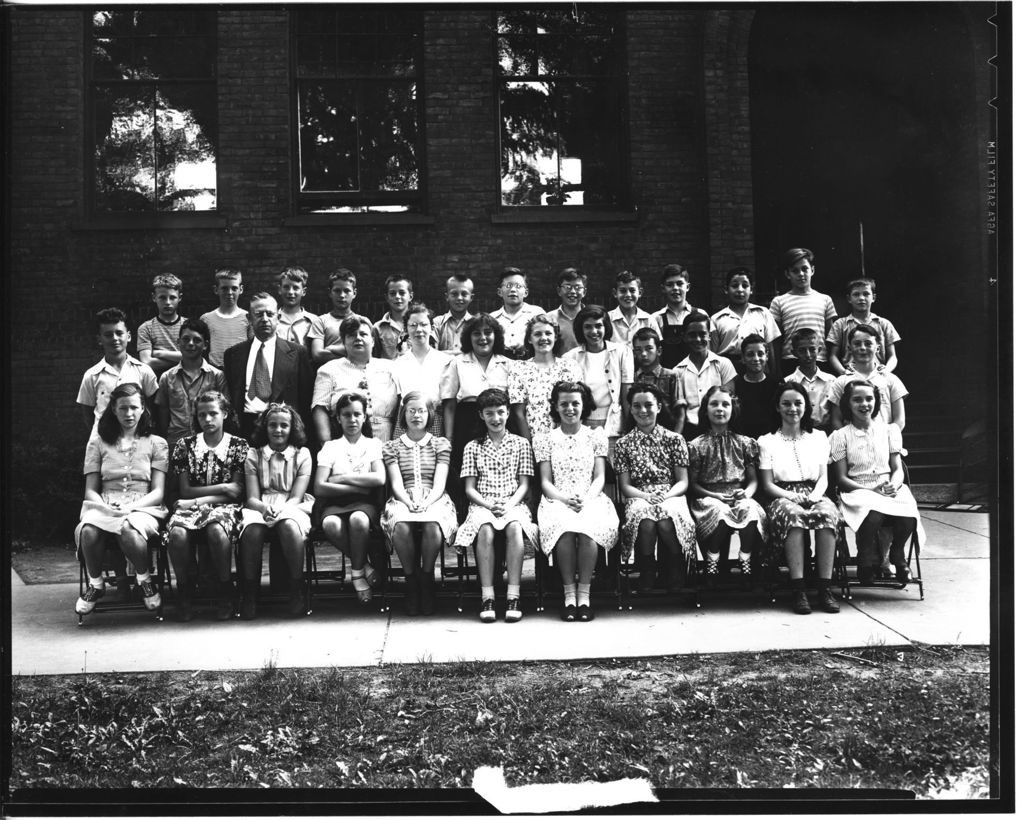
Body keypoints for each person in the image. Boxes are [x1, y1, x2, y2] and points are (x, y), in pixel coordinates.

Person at [74, 383, 169, 616]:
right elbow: (90, 491)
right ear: (113, 410)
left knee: (129, 528)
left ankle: (145, 580)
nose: (129, 414)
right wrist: (104, 506)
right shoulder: (97, 443)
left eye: (134, 407)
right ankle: (96, 585)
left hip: (144, 506)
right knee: (89, 530)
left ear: (143, 409)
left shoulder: (157, 443)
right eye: (123, 408)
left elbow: (157, 492)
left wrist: (130, 507)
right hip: (105, 502)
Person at [534, 381, 619, 622]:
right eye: (564, 404)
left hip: (590, 497)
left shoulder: (596, 436)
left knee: (587, 530)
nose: (570, 408)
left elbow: (600, 476)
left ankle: (585, 596)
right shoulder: (545, 439)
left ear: (584, 406)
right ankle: (569, 595)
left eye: (575, 403)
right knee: (566, 530)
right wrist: (564, 499)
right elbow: (546, 482)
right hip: (556, 500)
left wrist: (587, 498)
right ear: (555, 406)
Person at [453, 388, 538, 623]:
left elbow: (524, 485)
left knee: (513, 527)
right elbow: (470, 489)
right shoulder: (472, 446)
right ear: (481, 415)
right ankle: (487, 596)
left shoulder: (521, 444)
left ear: (508, 413)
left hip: (513, 502)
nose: (496, 418)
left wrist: (508, 505)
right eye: (489, 413)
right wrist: (490, 505)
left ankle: (514, 595)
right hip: (483, 504)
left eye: (500, 412)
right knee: (486, 530)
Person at [829, 380, 925, 585]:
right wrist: (870, 489)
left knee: (908, 508)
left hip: (887, 485)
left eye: (869, 398)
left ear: (876, 401)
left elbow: (897, 469)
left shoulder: (890, 431)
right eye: (857, 400)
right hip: (857, 489)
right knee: (873, 511)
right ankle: (866, 557)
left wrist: (895, 485)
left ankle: (897, 554)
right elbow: (842, 479)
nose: (864, 404)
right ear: (848, 404)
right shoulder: (840, 436)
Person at [758, 381, 841, 615]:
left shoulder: (818, 437)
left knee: (826, 514)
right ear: (777, 407)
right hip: (781, 494)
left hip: (815, 490)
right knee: (793, 516)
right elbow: (767, 484)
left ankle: (824, 587)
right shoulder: (767, 441)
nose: (792, 408)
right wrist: (792, 496)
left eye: (798, 403)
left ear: (806, 406)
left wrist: (815, 496)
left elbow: (824, 477)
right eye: (786, 404)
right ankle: (799, 589)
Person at [165, 391, 248, 622]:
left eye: (213, 413)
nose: (208, 419)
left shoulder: (238, 445)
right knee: (178, 534)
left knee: (216, 529)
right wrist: (223, 488)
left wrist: (198, 500)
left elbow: (237, 493)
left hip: (224, 509)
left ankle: (225, 590)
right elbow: (185, 490)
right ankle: (184, 592)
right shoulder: (185, 445)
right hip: (191, 506)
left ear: (225, 414)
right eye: (202, 415)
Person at [381, 392, 458, 615]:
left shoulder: (440, 445)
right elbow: (396, 483)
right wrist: (407, 501)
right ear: (403, 414)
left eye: (421, 410)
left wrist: (426, 502)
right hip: (403, 497)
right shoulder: (392, 447)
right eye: (411, 411)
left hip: (433, 496)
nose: (416, 415)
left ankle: (426, 579)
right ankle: (411, 581)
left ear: (429, 415)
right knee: (401, 526)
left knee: (433, 525)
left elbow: (440, 483)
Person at [614, 384, 696, 594]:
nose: (643, 411)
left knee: (668, 519)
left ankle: (675, 566)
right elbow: (625, 486)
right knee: (646, 520)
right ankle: (648, 569)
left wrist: (665, 496)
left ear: (659, 407)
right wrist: (646, 496)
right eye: (637, 406)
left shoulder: (675, 439)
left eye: (648, 405)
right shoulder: (624, 444)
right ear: (630, 409)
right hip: (639, 494)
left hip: (671, 492)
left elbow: (683, 482)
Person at [237, 403, 314, 620]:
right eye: (272, 425)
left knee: (288, 525)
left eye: (284, 425)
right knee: (252, 530)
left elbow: (297, 497)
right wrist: (263, 509)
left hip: (291, 505)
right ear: (265, 427)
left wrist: (280, 510)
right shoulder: (254, 455)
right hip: (260, 504)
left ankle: (296, 588)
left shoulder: (302, 455)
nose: (278, 430)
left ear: (292, 428)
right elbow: (252, 498)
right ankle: (251, 593)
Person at [687, 386, 766, 585]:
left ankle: (745, 556)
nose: (720, 409)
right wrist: (714, 496)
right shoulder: (697, 445)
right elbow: (693, 485)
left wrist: (746, 493)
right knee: (721, 513)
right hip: (708, 497)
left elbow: (754, 480)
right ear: (706, 409)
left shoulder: (744, 443)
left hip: (738, 494)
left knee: (751, 511)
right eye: (714, 404)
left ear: (733, 410)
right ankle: (712, 559)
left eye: (725, 404)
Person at [314, 393, 386, 604]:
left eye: (357, 414)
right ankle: (363, 565)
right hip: (334, 503)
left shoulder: (373, 444)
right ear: (338, 418)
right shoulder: (331, 447)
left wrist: (341, 478)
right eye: (346, 415)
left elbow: (379, 478)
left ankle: (356, 576)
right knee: (330, 524)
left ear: (364, 417)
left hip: (366, 503)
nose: (352, 420)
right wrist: (359, 485)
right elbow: (319, 486)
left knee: (358, 519)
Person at [440, 314, 513, 512]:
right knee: (467, 473)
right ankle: (466, 520)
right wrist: (449, 438)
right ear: (468, 338)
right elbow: (449, 404)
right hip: (466, 422)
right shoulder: (457, 363)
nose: (483, 338)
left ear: (496, 336)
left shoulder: (507, 364)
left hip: (498, 422)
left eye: (488, 333)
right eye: (476, 333)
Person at [222, 293, 314, 441]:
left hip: (282, 429)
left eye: (270, 314)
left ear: (278, 318)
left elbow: (305, 398)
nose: (265, 319)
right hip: (245, 428)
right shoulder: (233, 354)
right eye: (258, 314)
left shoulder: (297, 353)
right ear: (249, 319)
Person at [311, 315, 400, 445]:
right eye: (352, 335)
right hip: (344, 441)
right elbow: (320, 409)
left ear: (373, 341)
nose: (358, 338)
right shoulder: (329, 369)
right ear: (344, 342)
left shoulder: (391, 368)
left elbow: (403, 405)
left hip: (386, 440)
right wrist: (326, 445)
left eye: (363, 334)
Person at [78, 307, 159, 434]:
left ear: (129, 336)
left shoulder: (143, 371)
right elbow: (87, 414)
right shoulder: (91, 375)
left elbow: (152, 408)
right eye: (108, 335)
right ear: (99, 339)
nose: (115, 338)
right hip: (104, 443)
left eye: (119, 333)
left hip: (137, 441)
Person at [561, 306, 633, 441]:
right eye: (588, 327)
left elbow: (626, 395)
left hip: (614, 424)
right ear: (581, 330)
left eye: (598, 326)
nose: (594, 331)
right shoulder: (570, 358)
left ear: (606, 327)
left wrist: (628, 428)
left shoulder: (622, 352)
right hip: (582, 424)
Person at [155, 319, 228, 451]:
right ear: (178, 343)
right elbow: (163, 414)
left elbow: (224, 412)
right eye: (186, 339)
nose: (190, 344)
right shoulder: (167, 377)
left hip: (209, 444)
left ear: (205, 345)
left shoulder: (217, 376)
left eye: (197, 340)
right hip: (176, 444)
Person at [508, 314, 582, 443]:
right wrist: (529, 445)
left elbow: (578, 406)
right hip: (535, 439)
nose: (544, 338)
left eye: (548, 333)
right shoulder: (519, 368)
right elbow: (518, 413)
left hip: (566, 439)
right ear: (530, 339)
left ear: (555, 337)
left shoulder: (569, 366)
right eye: (537, 334)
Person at [824, 324, 908, 432]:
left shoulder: (890, 380)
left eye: (868, 344)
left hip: (883, 443)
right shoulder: (841, 382)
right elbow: (836, 420)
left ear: (877, 348)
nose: (863, 348)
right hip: (853, 445)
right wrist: (847, 441)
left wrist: (888, 438)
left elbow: (900, 420)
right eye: (857, 344)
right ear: (849, 348)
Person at [769, 248, 838, 367]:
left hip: (819, 360)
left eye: (804, 269)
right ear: (787, 274)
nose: (801, 274)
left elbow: (831, 337)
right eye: (795, 271)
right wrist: (777, 369)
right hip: (791, 361)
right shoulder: (779, 301)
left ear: (812, 270)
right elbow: (776, 340)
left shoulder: (825, 299)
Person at [673, 312, 736, 440]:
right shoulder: (677, 371)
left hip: (720, 428)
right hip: (691, 431)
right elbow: (680, 412)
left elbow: (730, 402)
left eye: (702, 334)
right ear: (684, 337)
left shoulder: (723, 364)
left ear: (709, 336)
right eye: (692, 335)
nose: (697, 339)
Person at [709, 266, 781, 376]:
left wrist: (774, 375)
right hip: (728, 369)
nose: (740, 290)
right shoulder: (716, 319)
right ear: (726, 289)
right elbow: (713, 353)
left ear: (751, 289)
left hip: (758, 367)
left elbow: (770, 348)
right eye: (734, 286)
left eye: (745, 285)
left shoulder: (762, 313)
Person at [393, 303, 450, 437]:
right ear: (406, 329)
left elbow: (448, 402)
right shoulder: (399, 364)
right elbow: (398, 399)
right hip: (407, 420)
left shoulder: (445, 361)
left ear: (432, 328)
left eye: (424, 324)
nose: (419, 329)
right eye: (413, 325)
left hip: (435, 419)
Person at [826, 277, 901, 375]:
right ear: (849, 298)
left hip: (878, 374)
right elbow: (833, 356)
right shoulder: (840, 325)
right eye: (856, 294)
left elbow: (893, 356)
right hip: (851, 375)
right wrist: (844, 372)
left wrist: (886, 371)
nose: (861, 298)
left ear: (873, 297)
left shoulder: (883, 324)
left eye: (866, 294)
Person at [309, 268, 372, 366]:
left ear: (354, 293)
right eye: (337, 291)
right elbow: (318, 355)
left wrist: (331, 348)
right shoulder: (320, 321)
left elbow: (368, 352)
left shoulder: (363, 321)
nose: (342, 295)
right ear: (330, 293)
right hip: (330, 374)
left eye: (347, 291)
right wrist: (353, 355)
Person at [651, 264, 709, 368]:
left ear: (687, 287)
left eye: (679, 284)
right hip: (667, 373)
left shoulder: (700, 314)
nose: (675, 288)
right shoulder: (656, 318)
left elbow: (708, 348)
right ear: (663, 288)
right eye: (670, 285)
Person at [631, 327, 684, 433]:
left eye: (649, 348)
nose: (644, 354)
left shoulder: (671, 376)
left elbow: (680, 415)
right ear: (633, 352)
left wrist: (676, 439)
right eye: (638, 350)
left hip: (667, 435)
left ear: (659, 351)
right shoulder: (632, 378)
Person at [784, 328, 836, 431]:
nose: (808, 355)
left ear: (819, 350)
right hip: (798, 432)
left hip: (827, 433)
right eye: (802, 350)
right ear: (794, 353)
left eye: (812, 349)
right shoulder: (787, 382)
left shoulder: (831, 381)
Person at [489, 267, 545, 360]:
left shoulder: (537, 313)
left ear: (526, 292)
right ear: (499, 292)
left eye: (518, 286)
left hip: (530, 363)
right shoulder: (492, 318)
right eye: (508, 286)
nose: (513, 290)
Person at [136, 274, 186, 378]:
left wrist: (159, 353)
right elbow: (147, 362)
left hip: (186, 380)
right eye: (162, 298)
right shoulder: (146, 328)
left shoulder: (188, 325)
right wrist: (183, 360)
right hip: (157, 383)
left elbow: (195, 356)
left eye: (172, 297)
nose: (167, 302)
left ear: (180, 298)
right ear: (154, 297)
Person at [732, 334, 780, 439]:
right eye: (750, 354)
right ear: (743, 358)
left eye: (760, 354)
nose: (756, 358)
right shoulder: (736, 385)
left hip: (771, 440)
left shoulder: (776, 385)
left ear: (767, 356)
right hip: (743, 442)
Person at [200, 268, 249, 368]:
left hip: (240, 372)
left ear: (241, 289)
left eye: (234, 288)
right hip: (215, 372)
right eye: (224, 288)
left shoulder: (248, 317)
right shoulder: (206, 319)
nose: (229, 292)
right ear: (216, 289)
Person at [608, 269, 661, 345]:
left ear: (640, 292)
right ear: (615, 293)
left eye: (632, 290)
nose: (628, 295)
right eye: (623, 291)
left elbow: (656, 349)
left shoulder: (649, 320)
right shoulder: (608, 319)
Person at [543, 267, 587, 353]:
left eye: (577, 287)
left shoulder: (591, 318)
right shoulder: (549, 318)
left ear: (584, 292)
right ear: (559, 291)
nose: (573, 291)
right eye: (568, 287)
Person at [373, 275, 415, 360]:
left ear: (410, 296)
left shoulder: (420, 324)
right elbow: (374, 359)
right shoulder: (378, 328)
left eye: (402, 293)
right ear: (387, 297)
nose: (397, 297)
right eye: (392, 293)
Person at [275, 266, 318, 350]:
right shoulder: (272, 319)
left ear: (303, 291)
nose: (291, 292)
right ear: (280, 289)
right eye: (286, 287)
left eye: (295, 288)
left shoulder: (313, 321)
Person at [433, 274, 477, 354]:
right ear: (447, 297)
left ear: (471, 298)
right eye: (454, 294)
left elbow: (478, 354)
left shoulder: (476, 324)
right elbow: (432, 353)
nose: (459, 298)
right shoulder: (437, 323)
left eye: (464, 294)